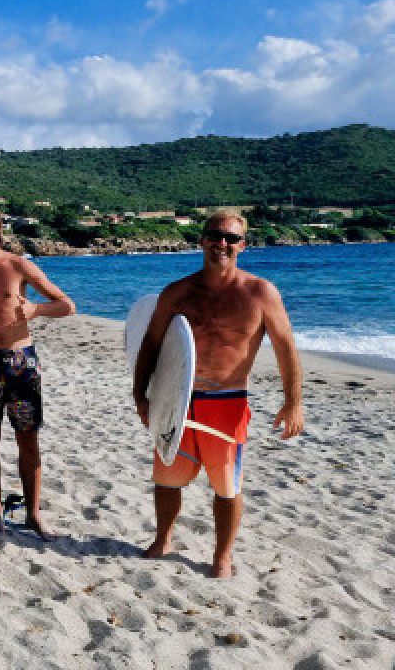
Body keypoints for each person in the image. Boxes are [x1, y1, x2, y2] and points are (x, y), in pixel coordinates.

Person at [133, 210, 303, 578]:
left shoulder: (260, 293)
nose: (221, 243)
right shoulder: (178, 292)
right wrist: (141, 396)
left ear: (243, 245)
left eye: (230, 238)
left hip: (227, 402)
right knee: (166, 477)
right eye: (214, 235)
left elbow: (286, 347)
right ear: (201, 240)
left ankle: (222, 555)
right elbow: (150, 343)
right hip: (178, 399)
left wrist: (293, 403)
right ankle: (163, 538)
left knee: (227, 485)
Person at [0, 202, 75, 538]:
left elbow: (67, 305)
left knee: (28, 441)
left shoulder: (18, 265)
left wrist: (37, 310)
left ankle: (33, 514)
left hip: (20, 360)